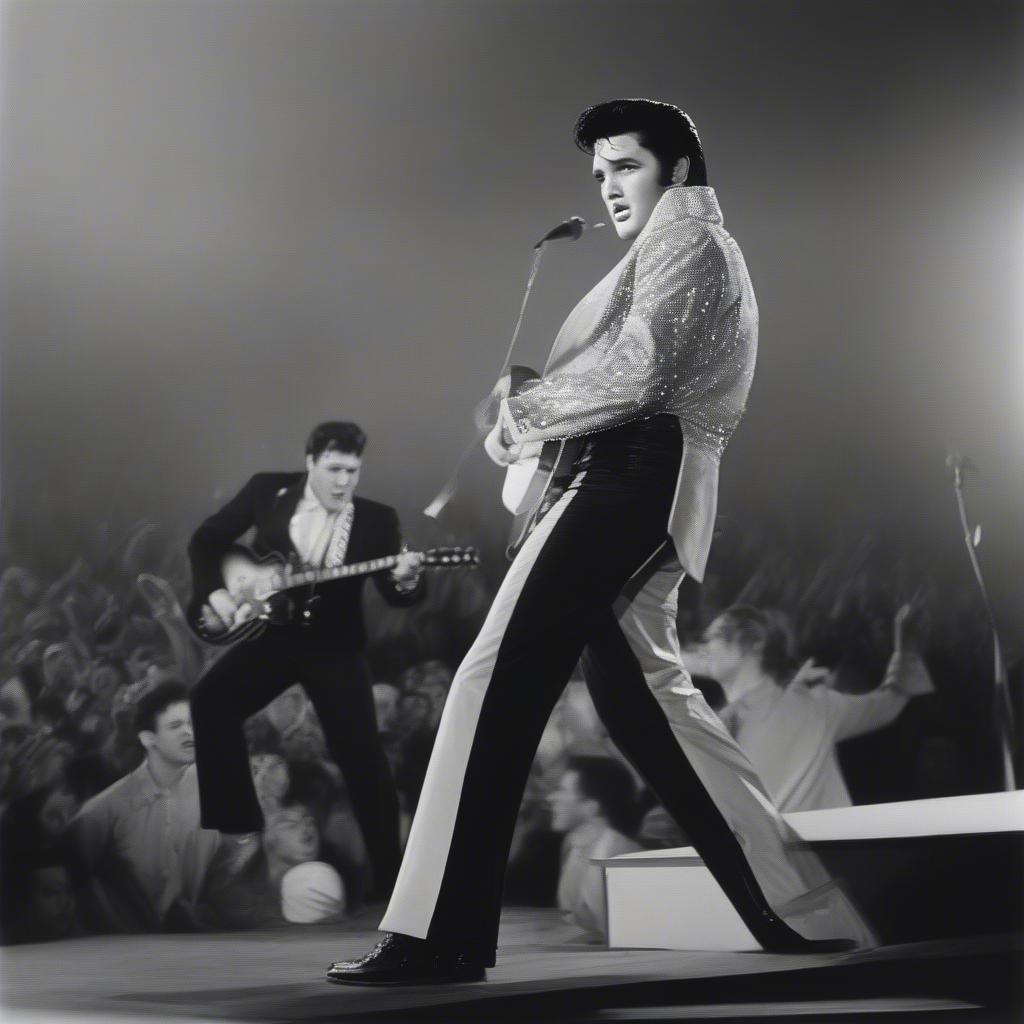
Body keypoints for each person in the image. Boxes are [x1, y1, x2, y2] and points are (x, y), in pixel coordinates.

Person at [328, 98, 865, 987]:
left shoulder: (690, 245)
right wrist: (537, 409)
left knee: (491, 682)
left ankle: (439, 935)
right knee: (654, 706)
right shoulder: (676, 251)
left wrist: (525, 410)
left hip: (622, 482)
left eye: (626, 166)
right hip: (645, 483)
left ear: (679, 170)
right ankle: (798, 908)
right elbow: (635, 373)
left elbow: (641, 375)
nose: (610, 186)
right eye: (601, 173)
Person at [187, 422, 424, 899]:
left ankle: (392, 887)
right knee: (210, 700)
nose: (343, 482)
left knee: (362, 760)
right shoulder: (265, 490)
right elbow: (207, 541)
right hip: (273, 637)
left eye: (353, 471)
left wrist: (407, 579)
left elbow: (396, 598)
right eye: (334, 469)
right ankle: (239, 826)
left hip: (334, 648)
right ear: (310, 461)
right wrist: (216, 593)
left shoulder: (377, 520)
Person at [698, 604, 935, 812]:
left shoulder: (813, 706)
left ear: (756, 642)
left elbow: (886, 705)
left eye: (717, 634)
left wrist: (906, 650)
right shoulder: (711, 728)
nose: (705, 645)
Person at [68, 680, 221, 932]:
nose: (189, 734)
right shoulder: (104, 811)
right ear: (149, 738)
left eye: (193, 724)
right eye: (175, 726)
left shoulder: (212, 785)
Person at [549, 756, 642, 941]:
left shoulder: (623, 856)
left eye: (562, 790)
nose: (550, 798)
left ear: (591, 807)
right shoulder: (573, 846)